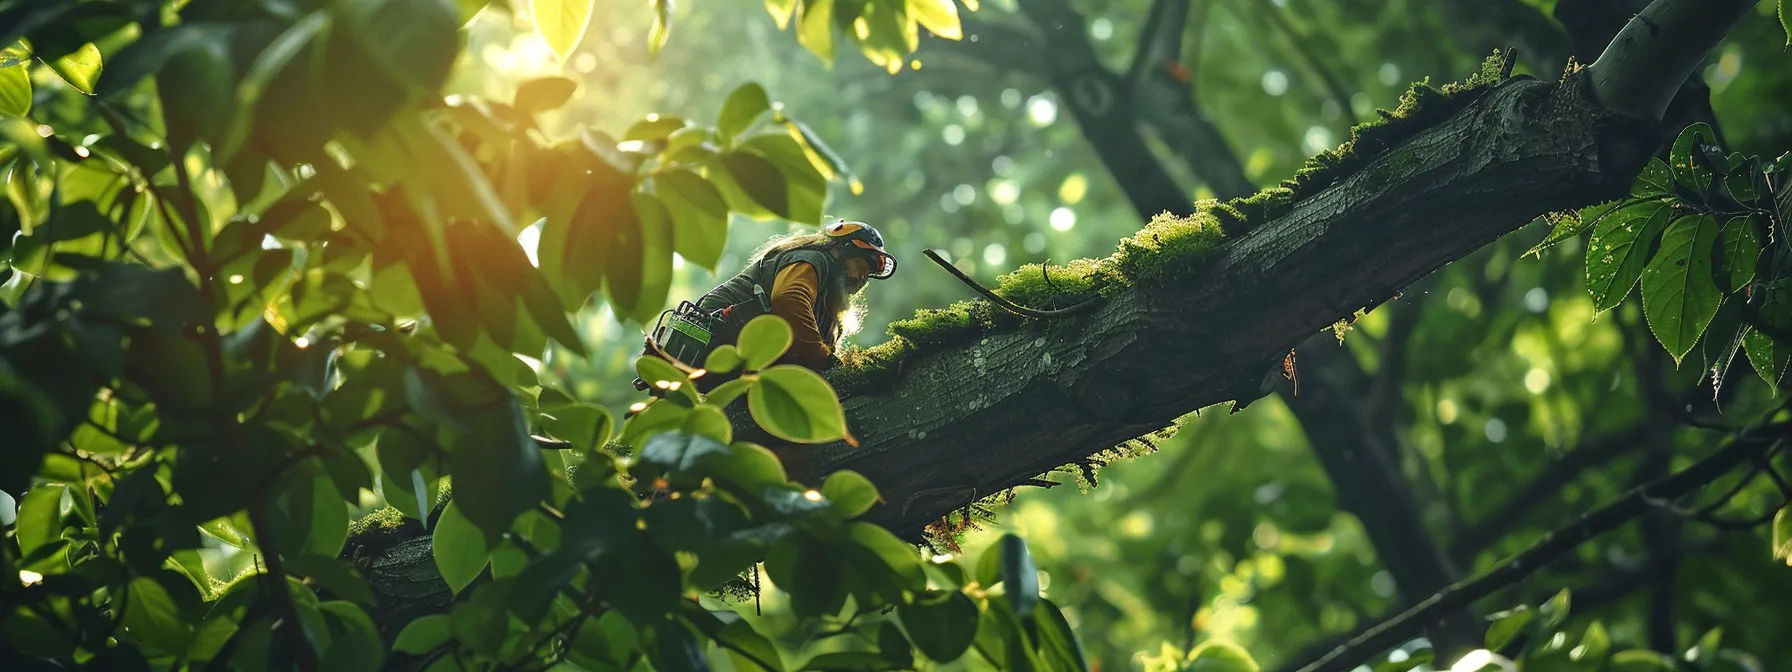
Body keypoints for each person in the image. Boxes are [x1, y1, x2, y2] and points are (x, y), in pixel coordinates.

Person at [637, 220, 897, 391]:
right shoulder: (814, 260)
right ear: (843, 250)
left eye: (871, 274)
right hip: (713, 341)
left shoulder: (828, 301)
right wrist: (822, 357)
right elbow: (788, 299)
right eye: (865, 264)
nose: (864, 277)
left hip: (737, 364)